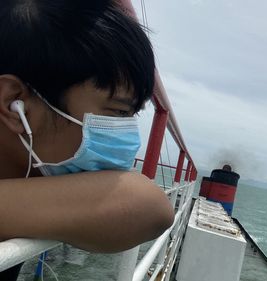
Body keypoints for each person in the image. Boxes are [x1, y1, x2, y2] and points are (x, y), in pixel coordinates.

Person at [0, 0, 175, 279]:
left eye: (131, 116)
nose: (127, 136)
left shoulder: (33, 177)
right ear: (14, 102)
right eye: (117, 112)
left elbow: (148, 206)